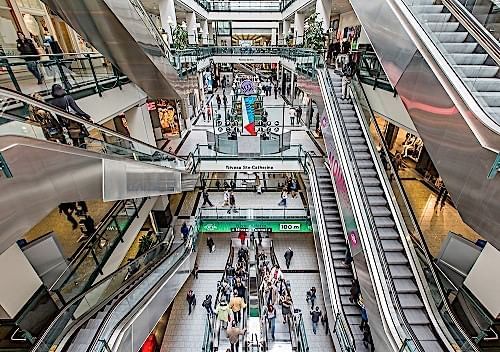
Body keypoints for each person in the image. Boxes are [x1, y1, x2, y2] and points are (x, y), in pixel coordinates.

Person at [50, 84, 91, 148]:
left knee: (74, 139)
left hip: (67, 123)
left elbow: (58, 115)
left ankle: (77, 151)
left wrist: (62, 125)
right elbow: (77, 109)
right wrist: (88, 117)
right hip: (75, 121)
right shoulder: (68, 98)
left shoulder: (53, 102)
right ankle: (84, 150)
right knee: (81, 138)